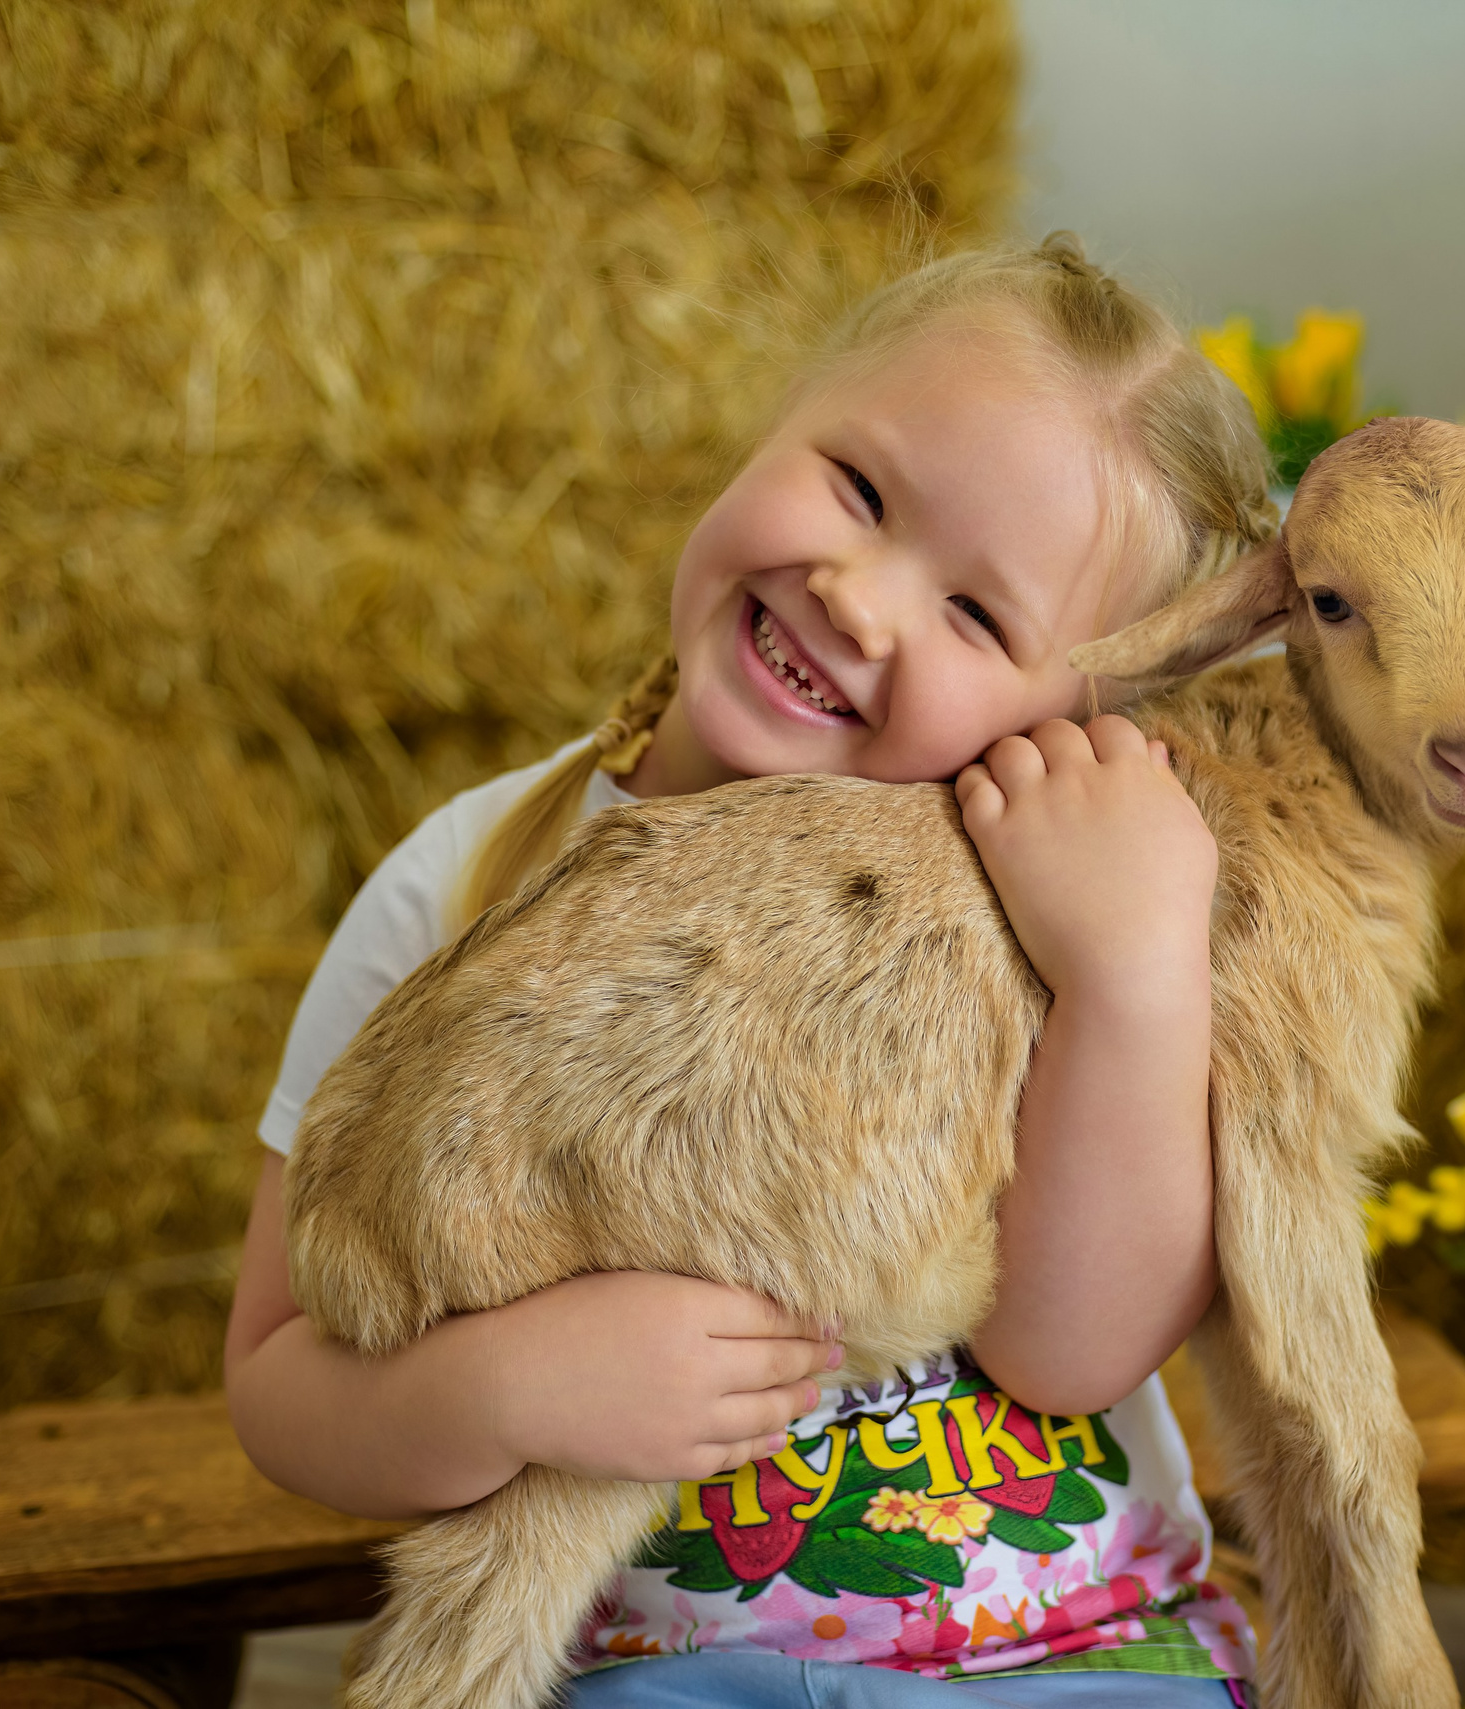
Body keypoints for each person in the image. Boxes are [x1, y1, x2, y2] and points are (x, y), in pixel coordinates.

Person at [225, 234, 1276, 1706]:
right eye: (857, 489)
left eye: (978, 615)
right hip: (666, 1672)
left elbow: (1074, 1349)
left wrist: (1133, 977)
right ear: (771, 421)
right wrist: (502, 1387)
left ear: (1079, 710)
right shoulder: (469, 881)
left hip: (1076, 1652)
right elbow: (276, 1377)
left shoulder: (1055, 912)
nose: (860, 596)